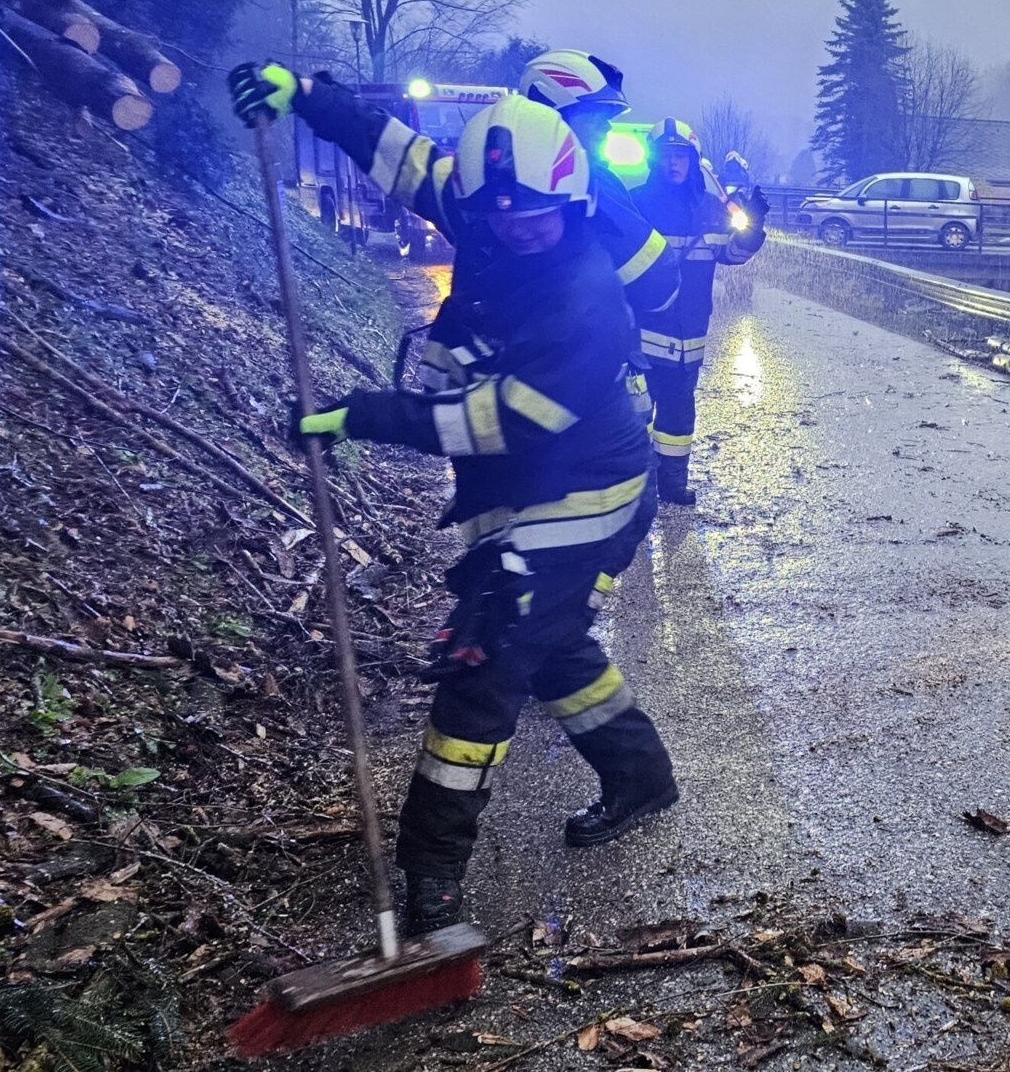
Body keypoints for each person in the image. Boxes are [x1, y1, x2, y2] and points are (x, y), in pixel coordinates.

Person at [229, 65, 681, 934]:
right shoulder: (483, 208)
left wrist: (366, 415)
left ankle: (430, 880)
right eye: (500, 214)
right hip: (517, 490)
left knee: (488, 656)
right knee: (548, 649)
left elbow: (497, 420)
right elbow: (394, 154)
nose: (517, 228)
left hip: (588, 493)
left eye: (538, 214)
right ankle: (640, 774)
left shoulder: (589, 301)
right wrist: (306, 93)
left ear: (575, 203)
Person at [514, 49, 681, 423]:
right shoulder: (589, 182)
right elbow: (660, 284)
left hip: (524, 395)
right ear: (554, 115)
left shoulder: (506, 181)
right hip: (596, 399)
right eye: (596, 116)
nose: (607, 129)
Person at [629, 118, 768, 503]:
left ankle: (672, 485)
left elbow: (732, 254)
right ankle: (637, 490)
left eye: (681, 156)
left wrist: (752, 230)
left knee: (677, 418)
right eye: (666, 156)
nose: (673, 163)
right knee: (636, 416)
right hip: (643, 335)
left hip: (691, 335)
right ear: (654, 161)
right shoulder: (636, 204)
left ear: (692, 160)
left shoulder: (709, 208)